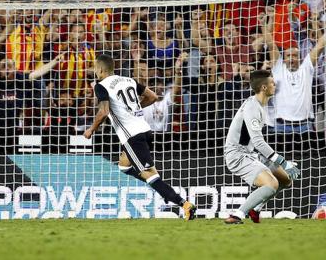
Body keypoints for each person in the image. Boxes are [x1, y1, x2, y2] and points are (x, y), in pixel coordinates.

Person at [83, 54, 197, 220]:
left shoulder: (101, 86)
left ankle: (183, 203)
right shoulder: (127, 80)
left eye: (95, 68)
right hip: (145, 130)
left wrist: (90, 130)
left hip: (131, 137)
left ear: (100, 69)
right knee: (123, 166)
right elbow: (153, 97)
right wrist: (134, 108)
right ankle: (161, 187)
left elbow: (104, 111)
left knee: (151, 175)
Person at [223, 70, 299, 224]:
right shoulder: (252, 107)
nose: (275, 85)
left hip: (251, 154)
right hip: (237, 155)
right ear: (264, 87)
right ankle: (238, 214)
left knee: (285, 179)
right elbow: (258, 142)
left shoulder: (259, 105)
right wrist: (283, 162)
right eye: (272, 83)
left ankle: (255, 209)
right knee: (272, 184)